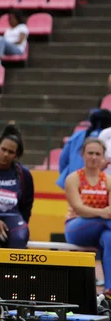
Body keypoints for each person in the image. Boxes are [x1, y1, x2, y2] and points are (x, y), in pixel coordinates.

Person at [64, 138, 111, 298]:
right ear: (82, 154)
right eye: (90, 153)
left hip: (103, 229)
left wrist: (106, 214)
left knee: (109, 236)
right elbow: (79, 209)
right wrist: (102, 213)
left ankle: (109, 290)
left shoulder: (108, 180)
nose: (94, 157)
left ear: (103, 157)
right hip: (76, 228)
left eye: (98, 154)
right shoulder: (73, 178)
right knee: (106, 222)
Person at [57, 109, 111, 190]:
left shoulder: (77, 136)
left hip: (75, 180)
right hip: (97, 184)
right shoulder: (107, 138)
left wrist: (67, 176)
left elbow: (63, 159)